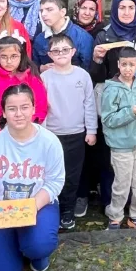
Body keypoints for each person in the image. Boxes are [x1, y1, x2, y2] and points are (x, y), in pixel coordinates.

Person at [0, 84, 64, 271]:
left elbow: (55, 181)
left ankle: (35, 253)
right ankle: (10, 245)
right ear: (3, 112)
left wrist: (31, 207)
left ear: (34, 108)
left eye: (24, 107)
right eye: (12, 109)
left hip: (37, 206)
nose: (19, 114)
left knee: (39, 245)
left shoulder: (49, 141)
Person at [39, 34, 96, 230]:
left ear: (73, 51)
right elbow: (41, 108)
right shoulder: (44, 78)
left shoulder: (82, 75)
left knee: (72, 175)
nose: (61, 54)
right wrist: (43, 134)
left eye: (65, 50)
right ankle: (52, 210)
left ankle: (67, 211)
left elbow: (89, 104)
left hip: (77, 134)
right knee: (52, 174)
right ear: (49, 55)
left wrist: (92, 130)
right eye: (56, 51)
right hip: (52, 135)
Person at [100, 47, 136, 230]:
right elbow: (107, 119)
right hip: (120, 145)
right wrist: (130, 113)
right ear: (118, 65)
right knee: (122, 183)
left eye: (132, 65)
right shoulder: (111, 89)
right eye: (124, 65)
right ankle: (115, 215)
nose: (128, 69)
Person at [0, 36, 47, 138]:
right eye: (4, 57)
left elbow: (41, 107)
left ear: (22, 56)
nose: (9, 61)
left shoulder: (32, 79)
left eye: (14, 56)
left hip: (26, 135)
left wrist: (26, 127)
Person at [32, 0, 94, 71]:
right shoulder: (40, 39)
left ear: (62, 12)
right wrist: (41, 68)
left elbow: (88, 70)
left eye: (49, 9)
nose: (43, 14)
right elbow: (34, 65)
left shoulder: (82, 37)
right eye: (41, 11)